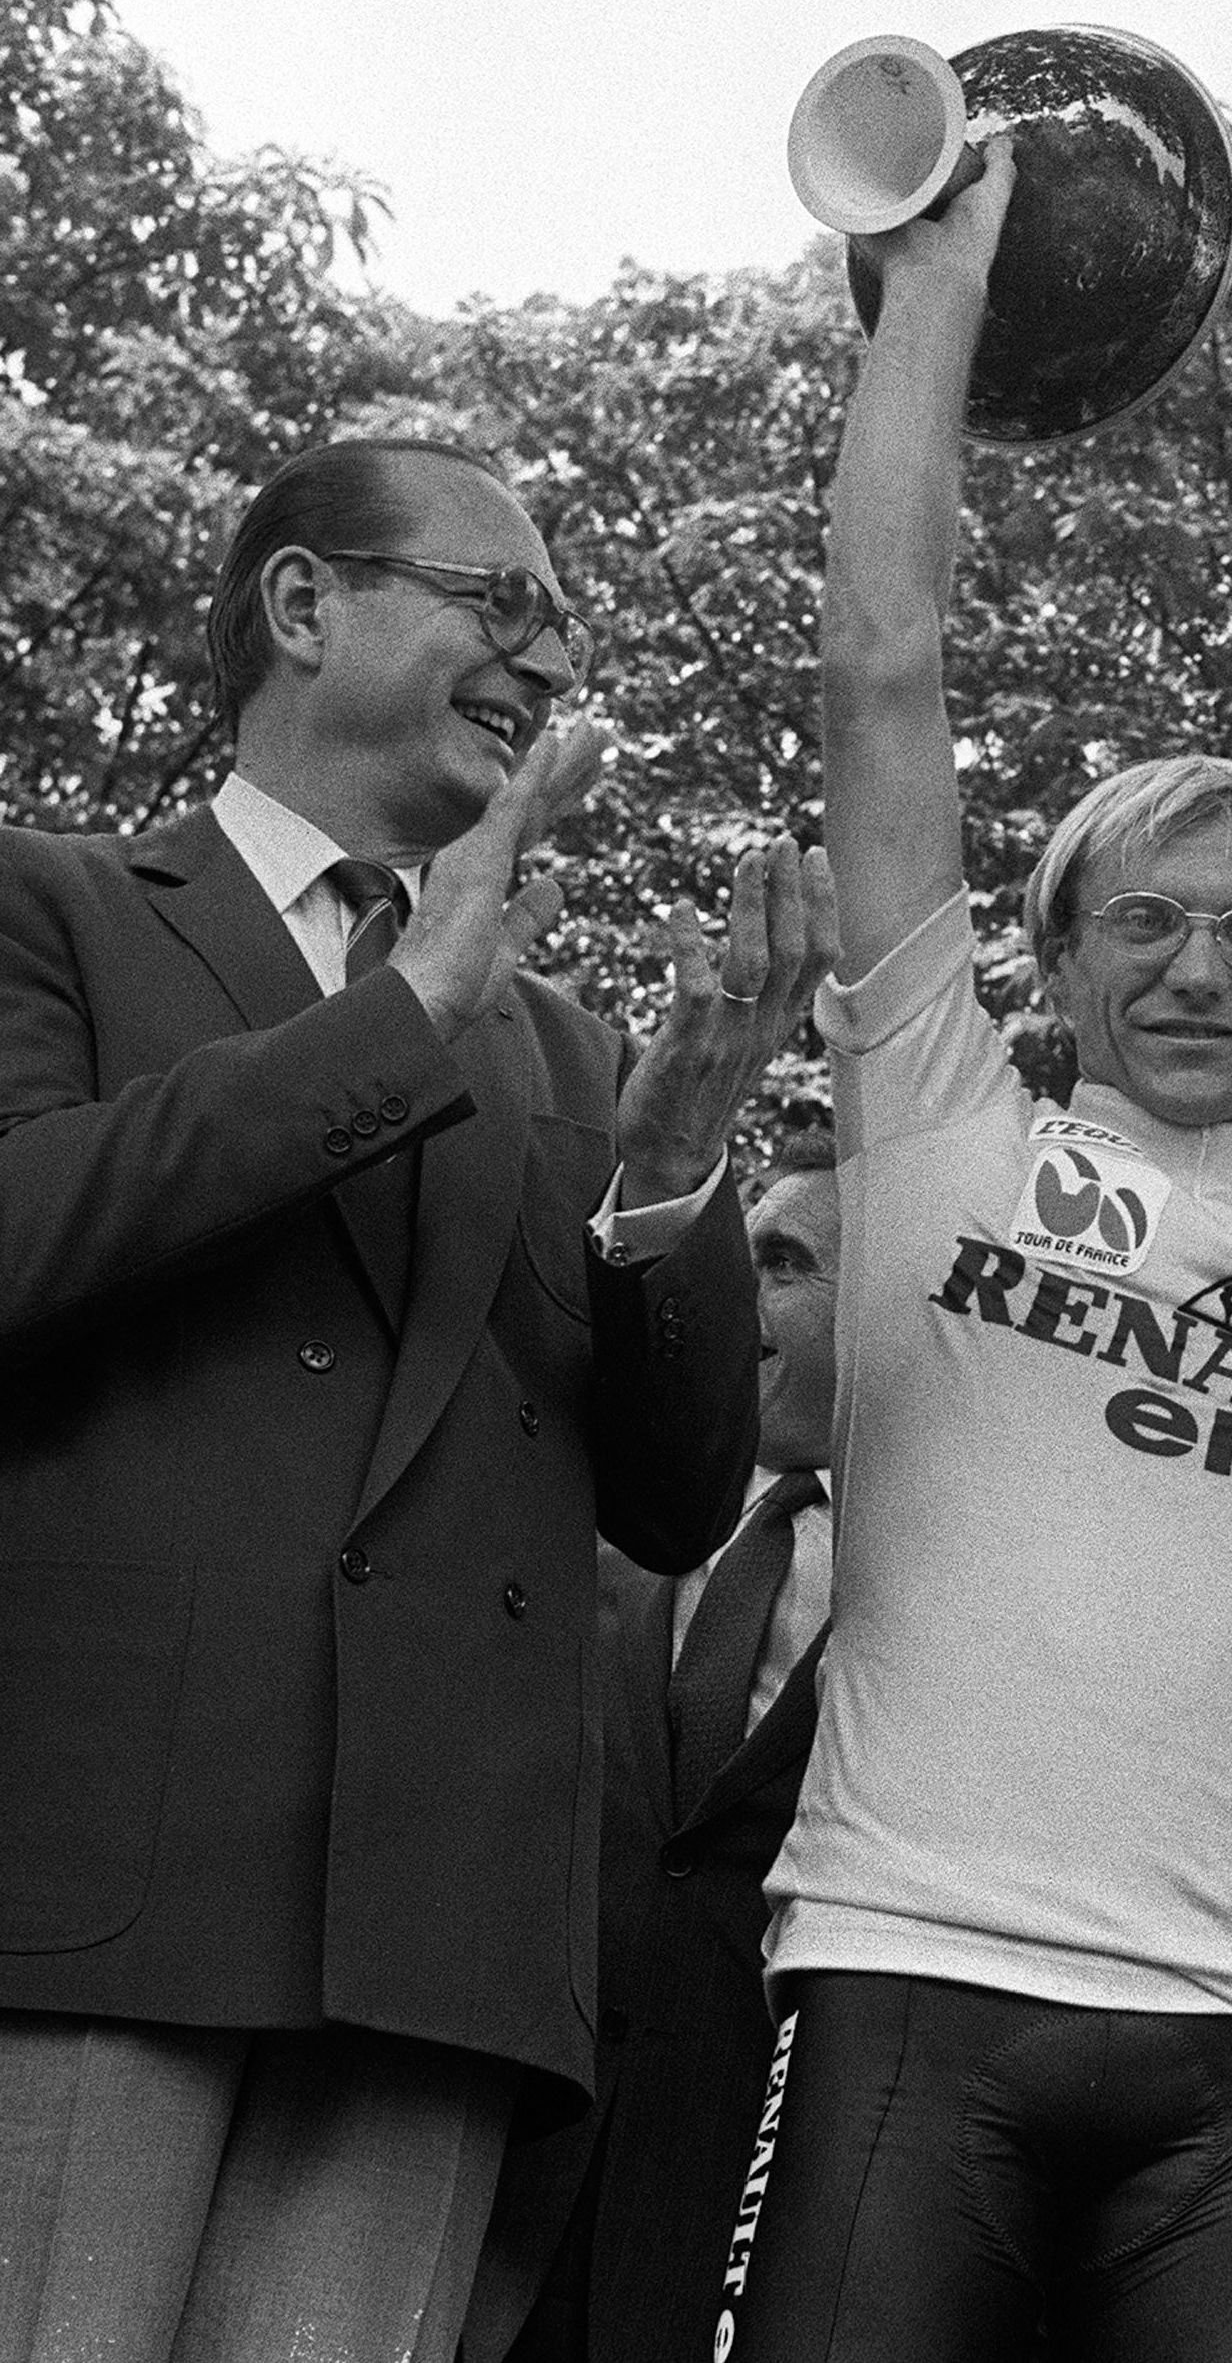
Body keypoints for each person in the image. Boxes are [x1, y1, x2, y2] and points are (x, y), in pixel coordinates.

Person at [0, 436, 821, 2358]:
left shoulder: (570, 1053)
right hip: (99, 1882)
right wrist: (407, 1008)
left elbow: (675, 1501)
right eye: (499, 605)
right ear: (306, 604)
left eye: (560, 628)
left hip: (437, 1935)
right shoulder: (51, 908)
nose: (544, 665)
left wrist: (679, 1144)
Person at [724, 147, 1232, 2362]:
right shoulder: (943, 1126)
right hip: (911, 1972)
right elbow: (880, 669)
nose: (1198, 969)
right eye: (1143, 919)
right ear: (1049, 959)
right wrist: (931, 298)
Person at [465, 1129, 847, 2363]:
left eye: (780, 1265)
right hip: (496, 2189)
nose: (735, 1300)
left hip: (744, 2224)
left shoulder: (965, 1593)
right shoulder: (591, 1515)